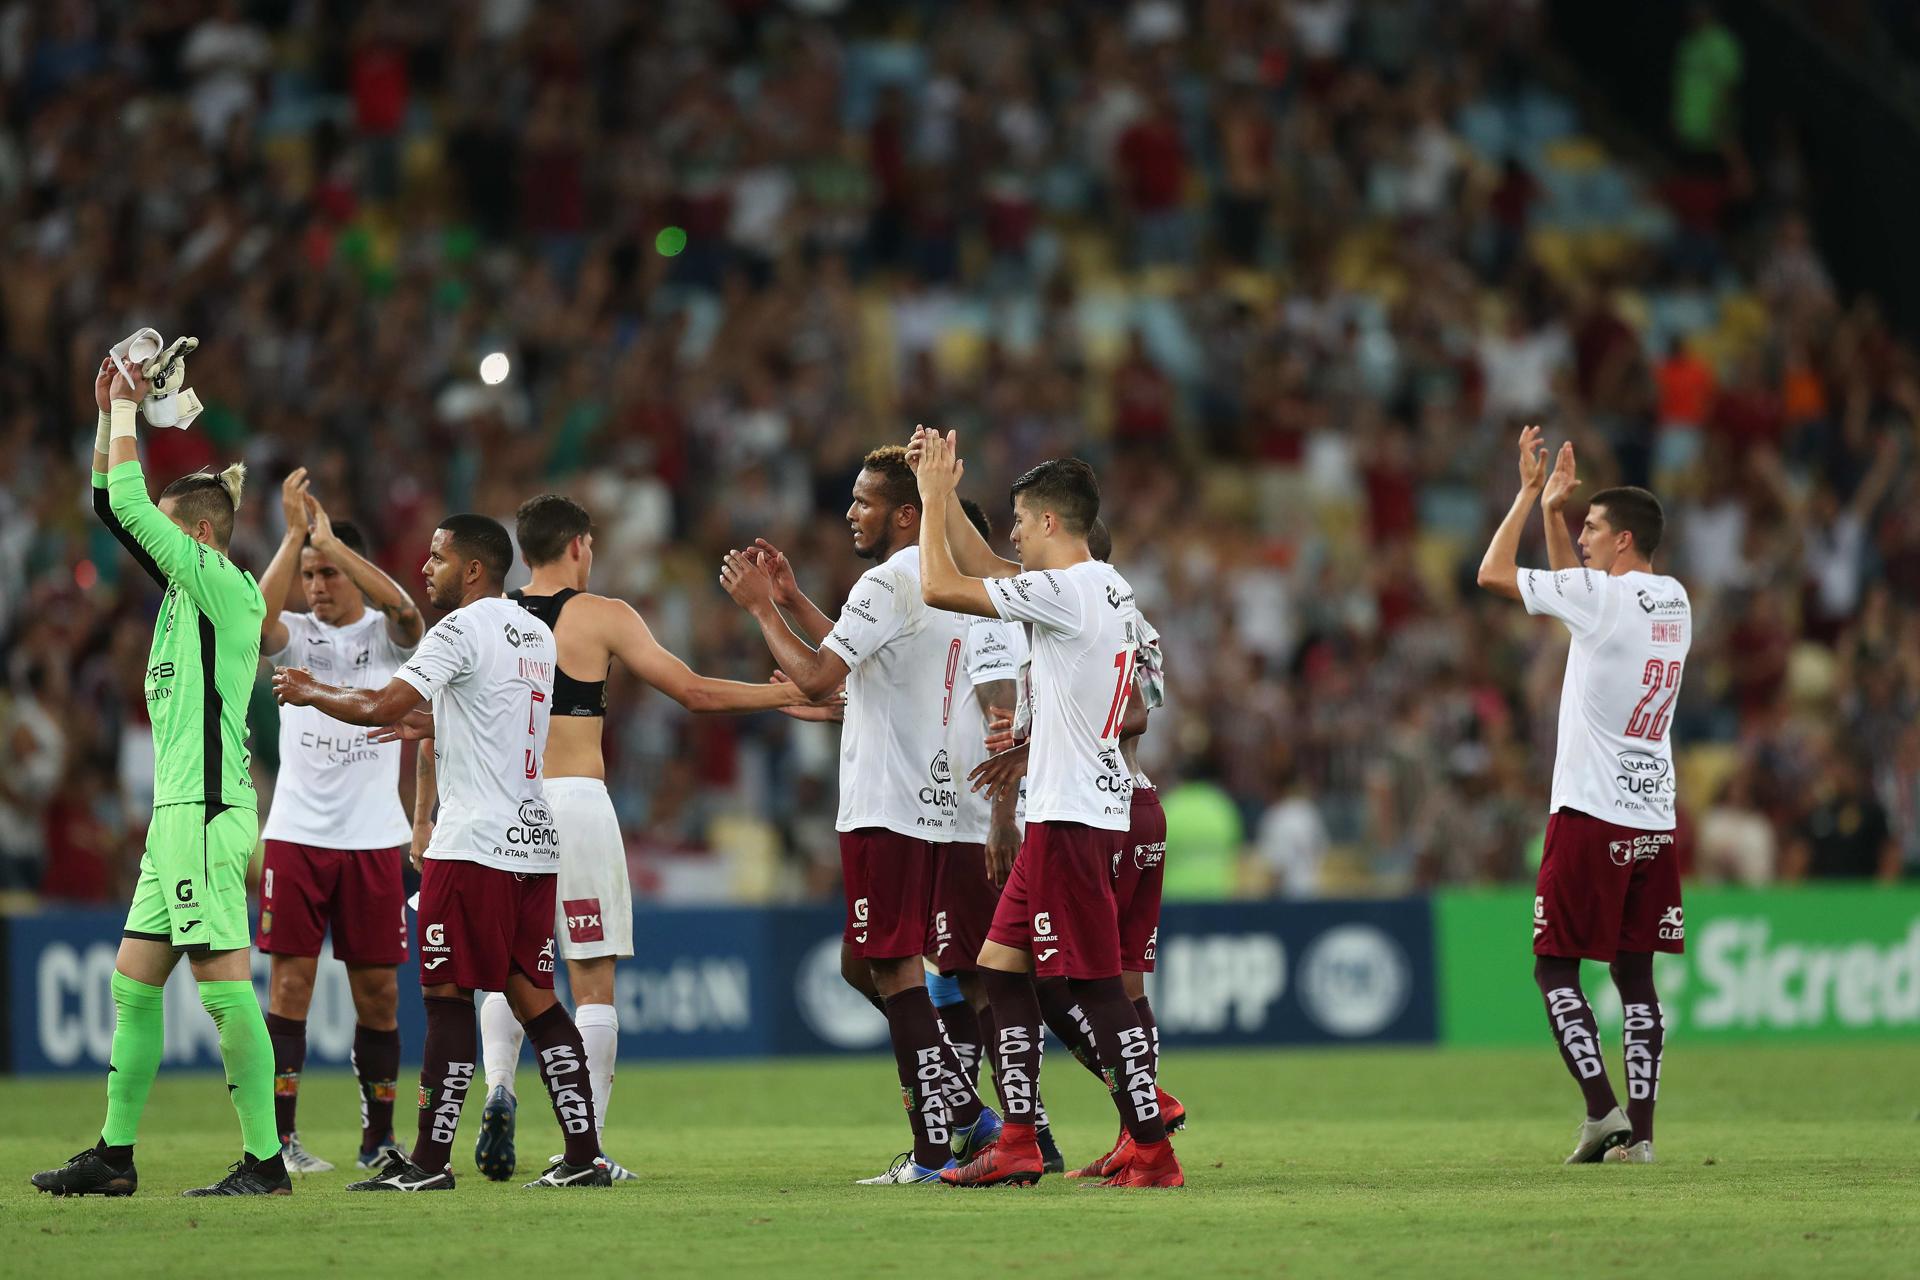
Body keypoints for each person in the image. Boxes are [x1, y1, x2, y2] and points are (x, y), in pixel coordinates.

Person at [466, 493, 812, 1182]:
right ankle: (582, 1150)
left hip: (501, 811)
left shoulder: (487, 621)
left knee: (511, 968)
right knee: (592, 981)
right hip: (577, 803)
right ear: (577, 547)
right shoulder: (602, 616)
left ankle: (499, 1088)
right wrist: (784, 695)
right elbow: (692, 693)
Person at [272, 515, 609, 1190]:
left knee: (447, 996)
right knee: (535, 998)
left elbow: (379, 703)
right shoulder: (535, 634)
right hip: (532, 843)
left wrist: (310, 690)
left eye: (437, 557)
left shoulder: (457, 630)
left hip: (472, 845)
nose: (426, 569)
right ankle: (583, 1156)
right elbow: (492, 712)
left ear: (474, 570)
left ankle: (428, 1162)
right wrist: (435, 721)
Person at [34, 358, 285, 1198]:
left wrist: (134, 407)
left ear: (201, 538)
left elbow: (135, 509)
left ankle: (265, 1161)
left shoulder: (223, 591)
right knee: (132, 981)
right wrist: (110, 408)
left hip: (206, 813)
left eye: (171, 536)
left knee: (220, 984)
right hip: (175, 814)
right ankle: (114, 1155)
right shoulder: (186, 593)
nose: (156, 548)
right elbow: (113, 505)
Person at [718, 445, 997, 1185]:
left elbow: (814, 677)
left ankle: (937, 1151)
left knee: (895, 972)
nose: (849, 512)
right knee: (874, 964)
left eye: (864, 501)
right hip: (938, 806)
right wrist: (791, 599)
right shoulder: (942, 581)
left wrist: (757, 610)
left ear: (906, 513)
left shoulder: (885, 580)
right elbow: (869, 653)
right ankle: (970, 1115)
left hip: (886, 803)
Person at [911, 430, 1182, 1189]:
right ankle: (1023, 1138)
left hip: (1072, 816)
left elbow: (942, 586)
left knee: (1096, 987)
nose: (1015, 534)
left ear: (1053, 524)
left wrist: (934, 499)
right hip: (1069, 807)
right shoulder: (1104, 587)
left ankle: (1153, 1148)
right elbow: (992, 568)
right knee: (1000, 965)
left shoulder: (1065, 592)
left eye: (1022, 521)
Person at [1476, 427, 1692, 1166]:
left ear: (1625, 538)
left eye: (1594, 528)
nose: (1586, 538)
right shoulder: (1673, 601)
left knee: (1554, 967)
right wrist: (1558, 520)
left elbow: (1493, 574)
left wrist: (1531, 494)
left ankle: (1603, 1113)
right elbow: (1582, 604)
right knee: (1636, 975)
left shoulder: (1605, 597)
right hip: (1652, 817)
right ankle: (1645, 1136)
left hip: (1591, 811)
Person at [966, 516, 1186, 1182]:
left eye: (1027, 541)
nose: (1020, 556)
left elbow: (1127, 716)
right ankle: (1104, 1126)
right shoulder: (1126, 614)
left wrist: (1027, 747)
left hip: (1089, 810)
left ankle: (1142, 1118)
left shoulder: (1077, 605)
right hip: (1123, 805)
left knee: (1082, 982)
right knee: (1055, 973)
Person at [254, 468, 424, 1173]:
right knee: (290, 985)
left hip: (374, 839)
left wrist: (333, 541)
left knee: (378, 992)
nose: (316, 586)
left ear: (351, 572)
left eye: (327, 573)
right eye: (310, 574)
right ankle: (281, 1139)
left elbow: (410, 611)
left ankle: (377, 1138)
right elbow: (256, 626)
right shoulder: (292, 633)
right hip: (296, 834)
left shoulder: (388, 642)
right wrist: (295, 536)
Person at [926, 498, 1065, 1173]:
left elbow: (1001, 712)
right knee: (958, 971)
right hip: (956, 812)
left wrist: (1000, 813)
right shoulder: (978, 608)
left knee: (989, 976)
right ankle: (989, 1124)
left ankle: (1014, 1129)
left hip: (975, 818)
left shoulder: (980, 610)